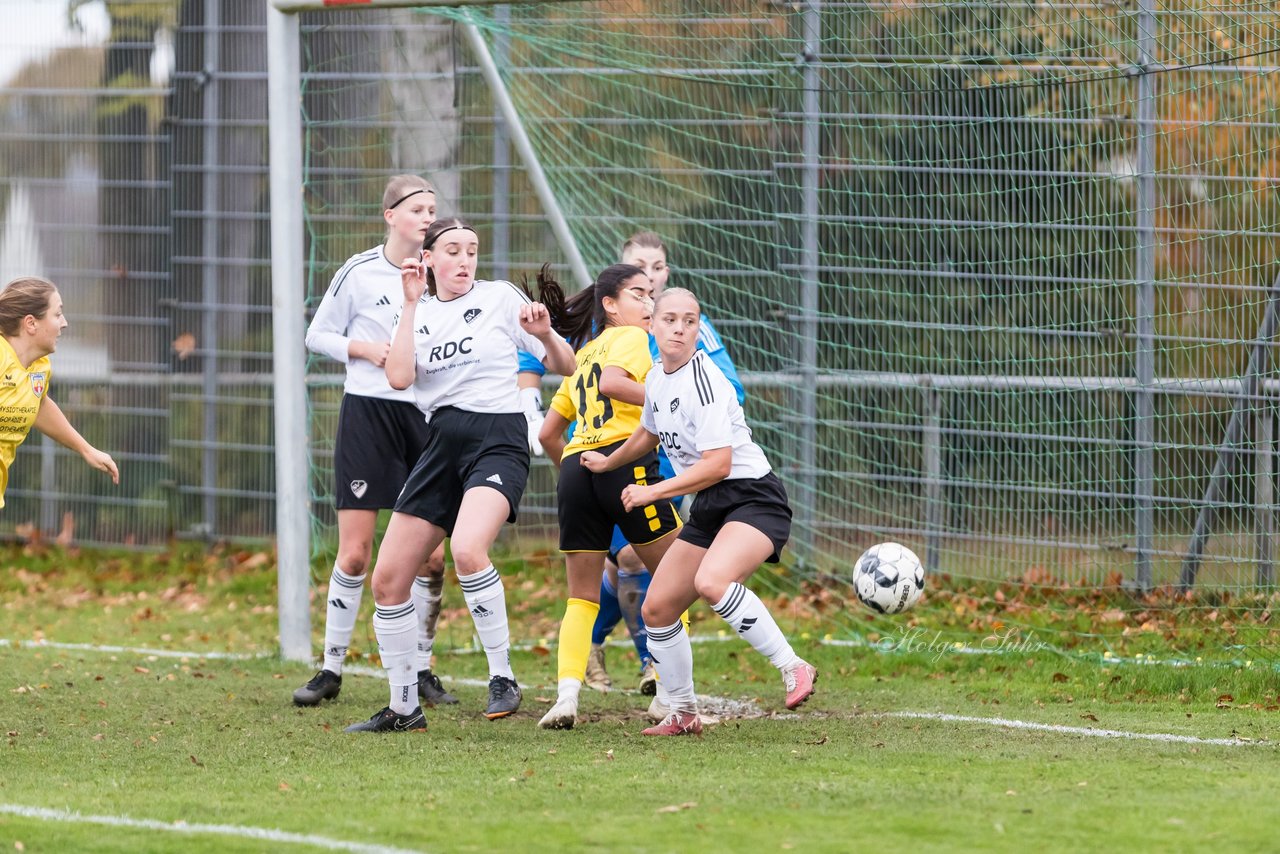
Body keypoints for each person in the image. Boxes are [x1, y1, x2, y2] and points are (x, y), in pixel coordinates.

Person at [345, 217, 575, 733]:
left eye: (471, 249)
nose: (465, 259)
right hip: (441, 444)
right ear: (428, 260)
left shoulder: (499, 298)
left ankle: (504, 677)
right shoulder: (416, 312)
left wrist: (544, 335)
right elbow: (400, 376)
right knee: (386, 582)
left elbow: (568, 363)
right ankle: (404, 708)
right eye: (452, 250)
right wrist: (407, 304)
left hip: (498, 438)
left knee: (468, 550)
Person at [581, 288, 816, 737]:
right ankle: (684, 714)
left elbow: (718, 465)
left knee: (712, 582)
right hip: (711, 503)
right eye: (669, 319)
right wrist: (610, 463)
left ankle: (794, 667)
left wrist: (652, 492)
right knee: (658, 608)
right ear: (652, 324)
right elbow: (650, 431)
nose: (678, 328)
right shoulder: (656, 377)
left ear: (697, 328)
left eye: (689, 321)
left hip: (752, 498)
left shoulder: (705, 382)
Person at [294, 175, 457, 709]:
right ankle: (330, 668)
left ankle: (423, 668)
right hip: (367, 415)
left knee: (431, 560)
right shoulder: (359, 271)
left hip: (425, 420)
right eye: (417, 208)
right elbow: (315, 335)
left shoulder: (443, 273)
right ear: (390, 216)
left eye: (433, 208)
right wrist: (366, 349)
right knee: (357, 552)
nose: (427, 216)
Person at [587, 232, 746, 706]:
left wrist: (672, 398)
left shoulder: (691, 327)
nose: (651, 277)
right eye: (640, 269)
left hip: (673, 460)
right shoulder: (612, 332)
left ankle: (645, 660)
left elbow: (731, 391)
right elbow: (589, 382)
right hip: (622, 452)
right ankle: (605, 646)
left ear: (667, 273)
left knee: (639, 560)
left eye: (658, 268)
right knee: (625, 560)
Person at [535, 264, 682, 730]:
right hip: (625, 465)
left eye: (651, 294)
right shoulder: (631, 340)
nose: (649, 303)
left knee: (580, 599)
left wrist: (579, 477)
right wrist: (676, 401)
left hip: (578, 471)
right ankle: (668, 690)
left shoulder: (584, 354)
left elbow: (547, 434)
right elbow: (615, 384)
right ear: (610, 306)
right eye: (638, 294)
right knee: (684, 576)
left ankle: (566, 697)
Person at [0, 276, 118, 508]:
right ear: (31, 323)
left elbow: (38, 405)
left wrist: (86, 449)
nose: (64, 323)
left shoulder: (39, 367)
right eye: (57, 314)